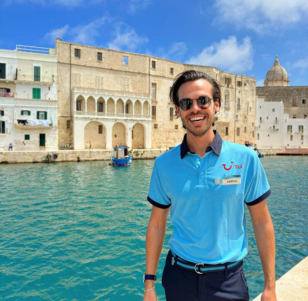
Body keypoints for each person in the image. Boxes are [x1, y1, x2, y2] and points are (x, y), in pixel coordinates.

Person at [143, 70, 276, 301]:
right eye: (186, 103)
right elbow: (156, 225)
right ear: (178, 111)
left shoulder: (246, 159)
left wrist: (270, 287)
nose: (195, 108)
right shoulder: (164, 165)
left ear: (216, 105)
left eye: (202, 100)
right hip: (179, 277)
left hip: (228, 280)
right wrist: (149, 286)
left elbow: (262, 222)